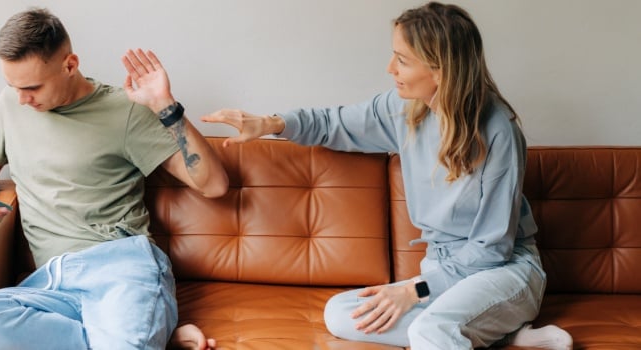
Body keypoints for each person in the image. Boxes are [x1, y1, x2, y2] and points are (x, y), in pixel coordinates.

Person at [202, 2, 572, 350]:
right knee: (341, 314)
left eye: (402, 60)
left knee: (431, 328)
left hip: (504, 272)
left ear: (440, 70)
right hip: (442, 272)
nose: (390, 68)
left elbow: (492, 248)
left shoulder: (498, 131)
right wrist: (270, 123)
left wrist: (415, 290)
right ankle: (504, 334)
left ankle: (487, 324)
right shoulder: (405, 109)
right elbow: (334, 123)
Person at [0, 8, 224, 350]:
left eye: (32, 87)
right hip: (51, 283)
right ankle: (147, 336)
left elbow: (214, 184)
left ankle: (136, 333)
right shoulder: (11, 104)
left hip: (122, 268)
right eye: (13, 86)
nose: (22, 99)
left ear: (69, 65)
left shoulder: (125, 112)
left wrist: (165, 105)